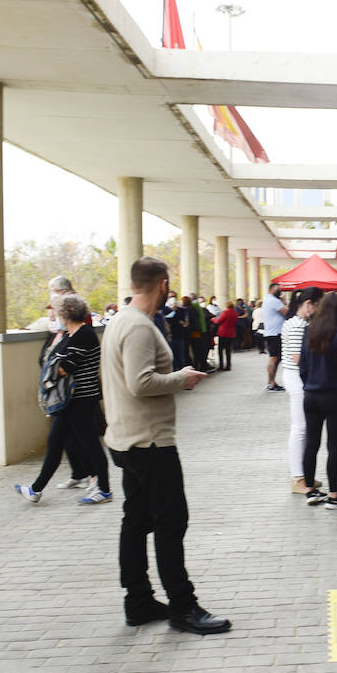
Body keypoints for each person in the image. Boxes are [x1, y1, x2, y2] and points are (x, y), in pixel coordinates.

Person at [102, 257, 229, 635]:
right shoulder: (138, 327)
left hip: (128, 438)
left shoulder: (118, 321)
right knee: (171, 523)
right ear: (162, 285)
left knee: (137, 520)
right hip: (150, 441)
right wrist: (181, 378)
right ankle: (182, 606)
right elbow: (140, 383)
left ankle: (138, 601)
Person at [15, 293, 112, 505]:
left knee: (90, 444)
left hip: (81, 399)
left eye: (57, 313)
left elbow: (64, 368)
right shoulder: (70, 334)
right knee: (55, 441)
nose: (55, 316)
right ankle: (35, 489)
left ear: (65, 314)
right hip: (70, 401)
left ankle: (104, 489)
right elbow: (53, 359)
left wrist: (55, 366)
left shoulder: (83, 335)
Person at [300, 293, 337, 510]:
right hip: (333, 395)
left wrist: (309, 384)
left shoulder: (309, 332)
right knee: (334, 446)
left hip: (311, 395)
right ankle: (334, 495)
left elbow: (302, 367)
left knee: (311, 444)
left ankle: (310, 490)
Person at [283, 286, 325, 494]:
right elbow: (298, 358)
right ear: (309, 304)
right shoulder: (298, 325)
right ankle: (298, 477)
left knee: (302, 428)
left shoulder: (295, 322)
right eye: (318, 305)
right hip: (297, 378)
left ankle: (303, 476)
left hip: (294, 377)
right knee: (299, 428)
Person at [263, 282, 288, 392]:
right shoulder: (274, 300)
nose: (280, 291)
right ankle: (271, 383)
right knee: (274, 358)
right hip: (275, 334)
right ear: (272, 289)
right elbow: (287, 312)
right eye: (278, 289)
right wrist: (284, 302)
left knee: (276, 358)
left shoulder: (269, 299)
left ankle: (271, 382)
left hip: (273, 333)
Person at [213, 300, 238, 371]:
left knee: (220, 350)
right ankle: (228, 365)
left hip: (223, 332)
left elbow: (219, 321)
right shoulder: (235, 313)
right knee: (228, 350)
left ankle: (221, 365)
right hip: (231, 333)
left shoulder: (225, 312)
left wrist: (213, 319)